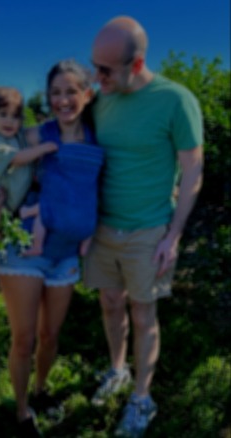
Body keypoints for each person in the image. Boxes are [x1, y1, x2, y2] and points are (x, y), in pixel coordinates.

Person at [85, 16, 203, 437]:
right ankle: (117, 371)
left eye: (105, 70)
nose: (97, 77)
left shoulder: (175, 100)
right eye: (94, 66)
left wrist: (173, 234)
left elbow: (193, 169)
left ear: (135, 66)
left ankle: (142, 399)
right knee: (111, 304)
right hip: (103, 228)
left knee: (143, 310)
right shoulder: (101, 101)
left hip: (149, 229)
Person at [0, 60, 99, 438]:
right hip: (24, 251)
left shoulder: (96, 137)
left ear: (86, 94)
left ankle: (41, 390)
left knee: (51, 335)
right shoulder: (36, 136)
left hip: (67, 253)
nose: (63, 99)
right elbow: (2, 164)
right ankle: (22, 413)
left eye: (71, 91)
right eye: (56, 92)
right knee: (24, 338)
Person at [0, 86, 58, 256]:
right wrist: (44, 148)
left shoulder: (15, 137)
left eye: (14, 116)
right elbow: (17, 157)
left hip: (15, 202)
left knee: (4, 240)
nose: (9, 121)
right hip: (0, 201)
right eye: (3, 114)